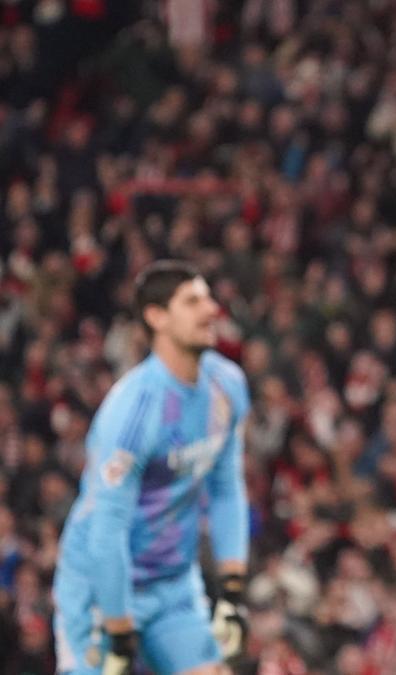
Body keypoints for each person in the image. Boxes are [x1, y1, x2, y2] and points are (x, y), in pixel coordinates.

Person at [52, 260, 251, 675]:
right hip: (99, 589)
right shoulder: (134, 410)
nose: (211, 309)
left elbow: (227, 487)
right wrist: (119, 628)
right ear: (156, 317)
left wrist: (231, 589)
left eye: (209, 297)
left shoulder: (227, 386)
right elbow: (108, 530)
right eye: (192, 301)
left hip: (173, 584)